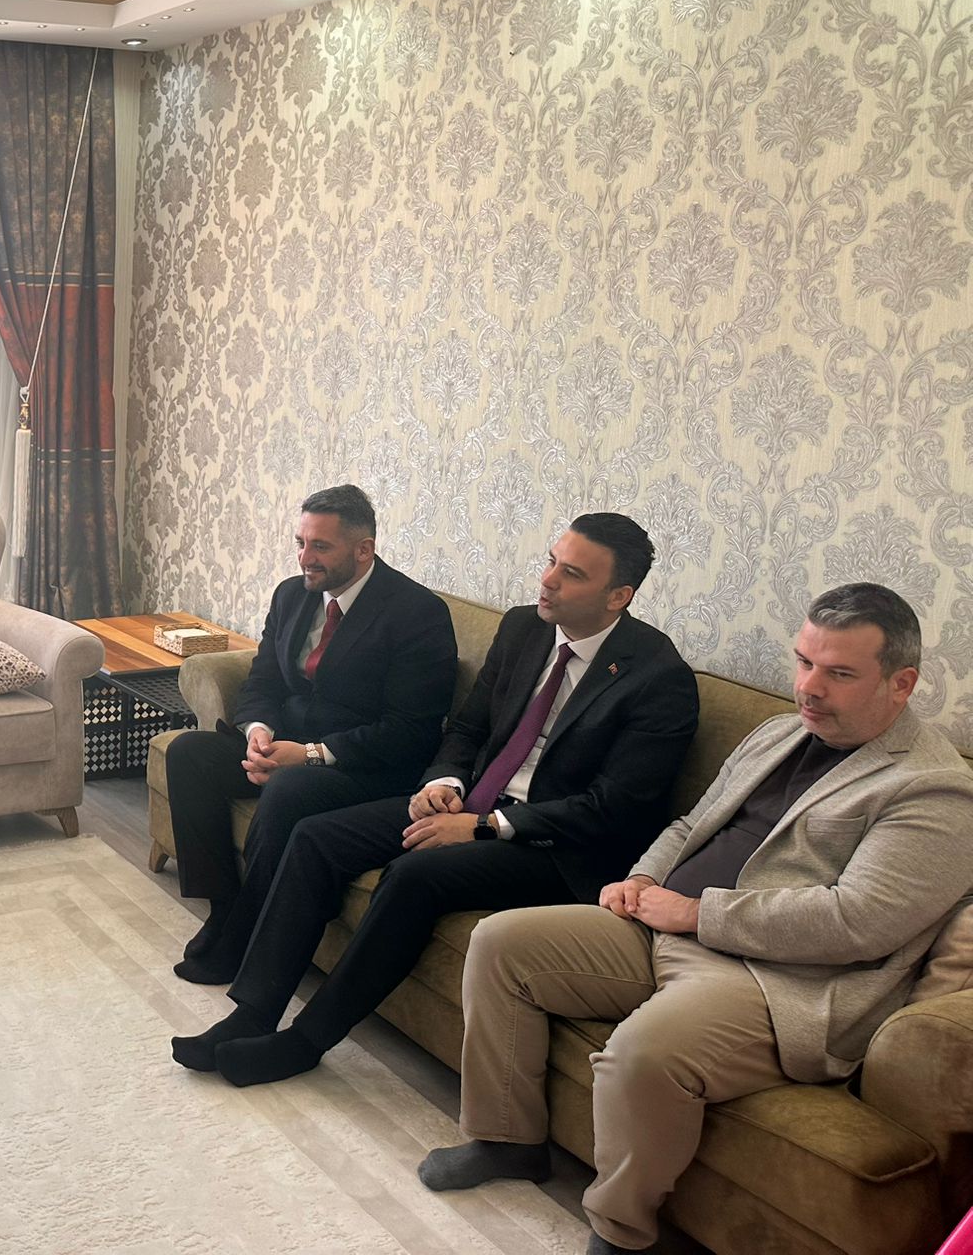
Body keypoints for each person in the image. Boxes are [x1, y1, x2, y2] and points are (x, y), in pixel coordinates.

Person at [418, 583, 973, 1255]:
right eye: (804, 662)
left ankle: (621, 1233)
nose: (809, 687)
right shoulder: (779, 733)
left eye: (839, 673)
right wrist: (643, 879)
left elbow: (856, 922)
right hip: (664, 927)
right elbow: (691, 824)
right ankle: (507, 1140)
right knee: (502, 942)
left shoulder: (935, 789)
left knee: (642, 1055)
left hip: (776, 981)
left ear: (901, 683)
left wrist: (695, 912)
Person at [173, 512, 699, 1087]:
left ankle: (305, 1042)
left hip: (557, 845)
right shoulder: (524, 628)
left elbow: (613, 807)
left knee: (414, 875)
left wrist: (484, 826)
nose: (547, 580)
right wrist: (444, 784)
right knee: (316, 837)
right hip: (474, 804)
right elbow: (468, 729)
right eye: (552, 561)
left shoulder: (658, 677)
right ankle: (252, 1012)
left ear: (619, 596)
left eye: (571, 574)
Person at [162, 484, 457, 983]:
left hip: (365, 766)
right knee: (190, 753)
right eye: (300, 542)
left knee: (290, 788)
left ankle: (247, 934)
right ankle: (224, 906)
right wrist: (258, 732)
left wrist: (312, 755)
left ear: (364, 549)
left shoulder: (416, 614)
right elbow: (263, 681)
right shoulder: (292, 594)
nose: (305, 557)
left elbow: (410, 731)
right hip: (286, 746)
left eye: (320, 546)